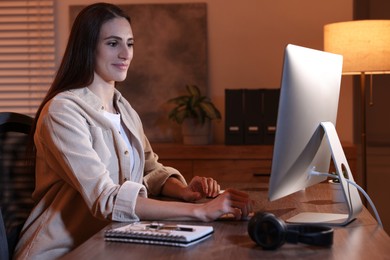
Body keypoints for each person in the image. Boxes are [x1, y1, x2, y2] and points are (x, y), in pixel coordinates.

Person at [14, 3, 252, 259]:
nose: (126, 53)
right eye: (113, 43)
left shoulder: (123, 109)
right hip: (63, 250)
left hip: (117, 240)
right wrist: (200, 211)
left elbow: (150, 170)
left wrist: (183, 191)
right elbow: (106, 199)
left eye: (130, 43)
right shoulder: (62, 111)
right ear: (87, 46)